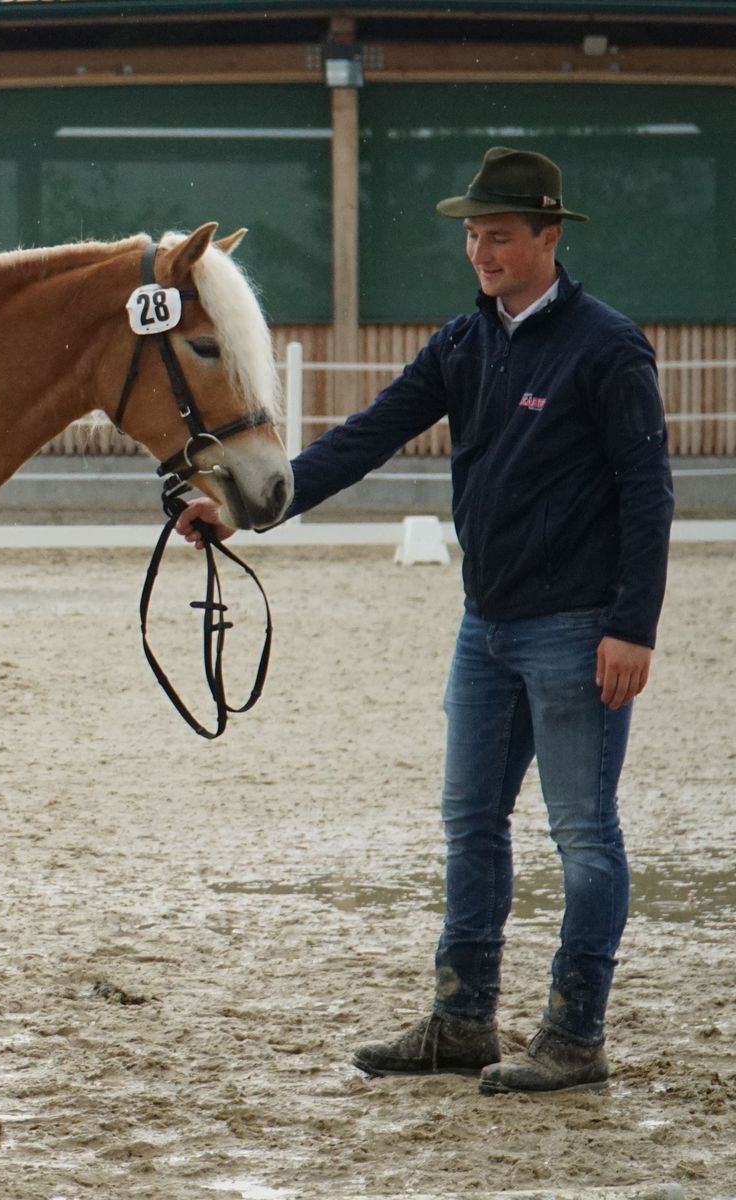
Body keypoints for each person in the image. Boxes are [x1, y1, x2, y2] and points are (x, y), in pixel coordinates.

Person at [176, 146, 673, 1094]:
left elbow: (648, 493)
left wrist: (633, 627)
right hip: (485, 626)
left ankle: (575, 1034)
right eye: (473, 236)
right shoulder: (464, 342)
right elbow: (368, 435)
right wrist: (247, 509)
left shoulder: (606, 347)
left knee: (583, 833)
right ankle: (461, 1020)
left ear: (548, 237)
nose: (481, 251)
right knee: (471, 823)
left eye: (500, 235)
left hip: (578, 631)